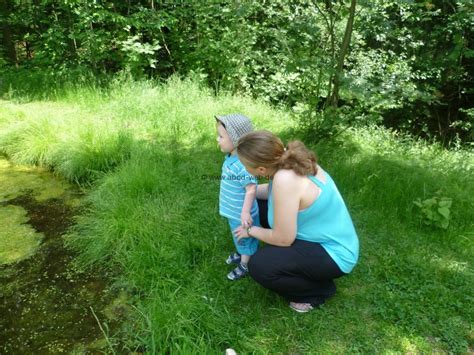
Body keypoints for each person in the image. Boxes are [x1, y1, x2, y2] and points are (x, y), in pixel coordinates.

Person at [234, 130, 359, 312]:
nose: (244, 169)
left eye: (245, 166)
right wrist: (246, 193)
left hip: (334, 253)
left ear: (261, 170)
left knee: (260, 266)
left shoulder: (285, 180)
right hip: (324, 236)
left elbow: (283, 239)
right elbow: (270, 193)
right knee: (257, 205)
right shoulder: (289, 162)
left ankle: (318, 292)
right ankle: (303, 270)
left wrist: (250, 231)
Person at [215, 114, 260, 280]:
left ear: (236, 140)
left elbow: (251, 188)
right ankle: (242, 254)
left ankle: (245, 265)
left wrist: (245, 213)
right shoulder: (231, 158)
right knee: (238, 236)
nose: (217, 139)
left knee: (245, 239)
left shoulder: (242, 165)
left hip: (242, 214)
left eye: (221, 136)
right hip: (234, 211)